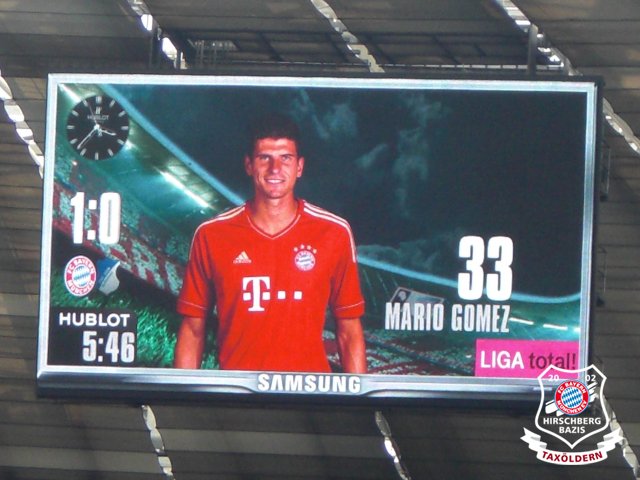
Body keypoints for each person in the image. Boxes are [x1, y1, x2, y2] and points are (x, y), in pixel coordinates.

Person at [174, 113, 366, 373]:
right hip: (238, 391)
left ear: (299, 167)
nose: (275, 169)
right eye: (264, 157)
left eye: (285, 158)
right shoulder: (212, 234)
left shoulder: (333, 232)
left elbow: (349, 331)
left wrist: (358, 396)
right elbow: (193, 329)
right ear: (249, 165)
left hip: (308, 392)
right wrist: (185, 394)